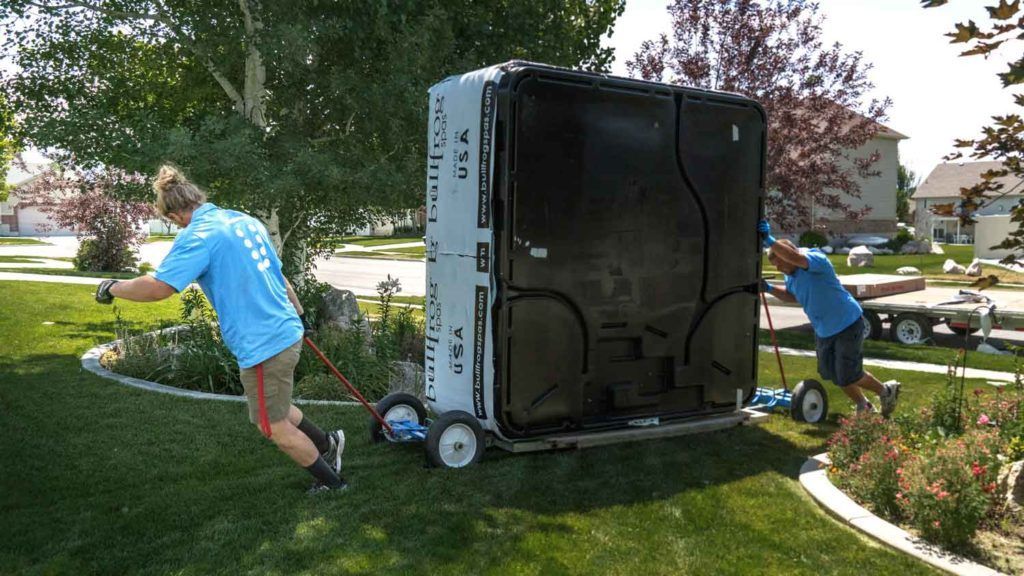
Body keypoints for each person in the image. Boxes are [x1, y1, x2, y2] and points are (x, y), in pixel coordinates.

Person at [95, 165, 348, 494]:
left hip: (264, 344)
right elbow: (277, 275)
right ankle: (328, 443)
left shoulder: (198, 236)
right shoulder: (243, 221)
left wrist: (112, 287)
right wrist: (300, 317)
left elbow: (159, 288)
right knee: (277, 409)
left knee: (271, 424)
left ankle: (332, 482)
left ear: (174, 216)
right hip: (285, 329)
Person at [758, 220, 901, 416]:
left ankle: (886, 391)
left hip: (846, 322)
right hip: (823, 329)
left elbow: (795, 257)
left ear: (788, 256)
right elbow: (794, 296)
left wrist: (768, 239)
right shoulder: (790, 275)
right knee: (833, 374)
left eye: (779, 263)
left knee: (849, 374)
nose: (778, 269)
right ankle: (864, 405)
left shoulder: (815, 259)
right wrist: (769, 289)